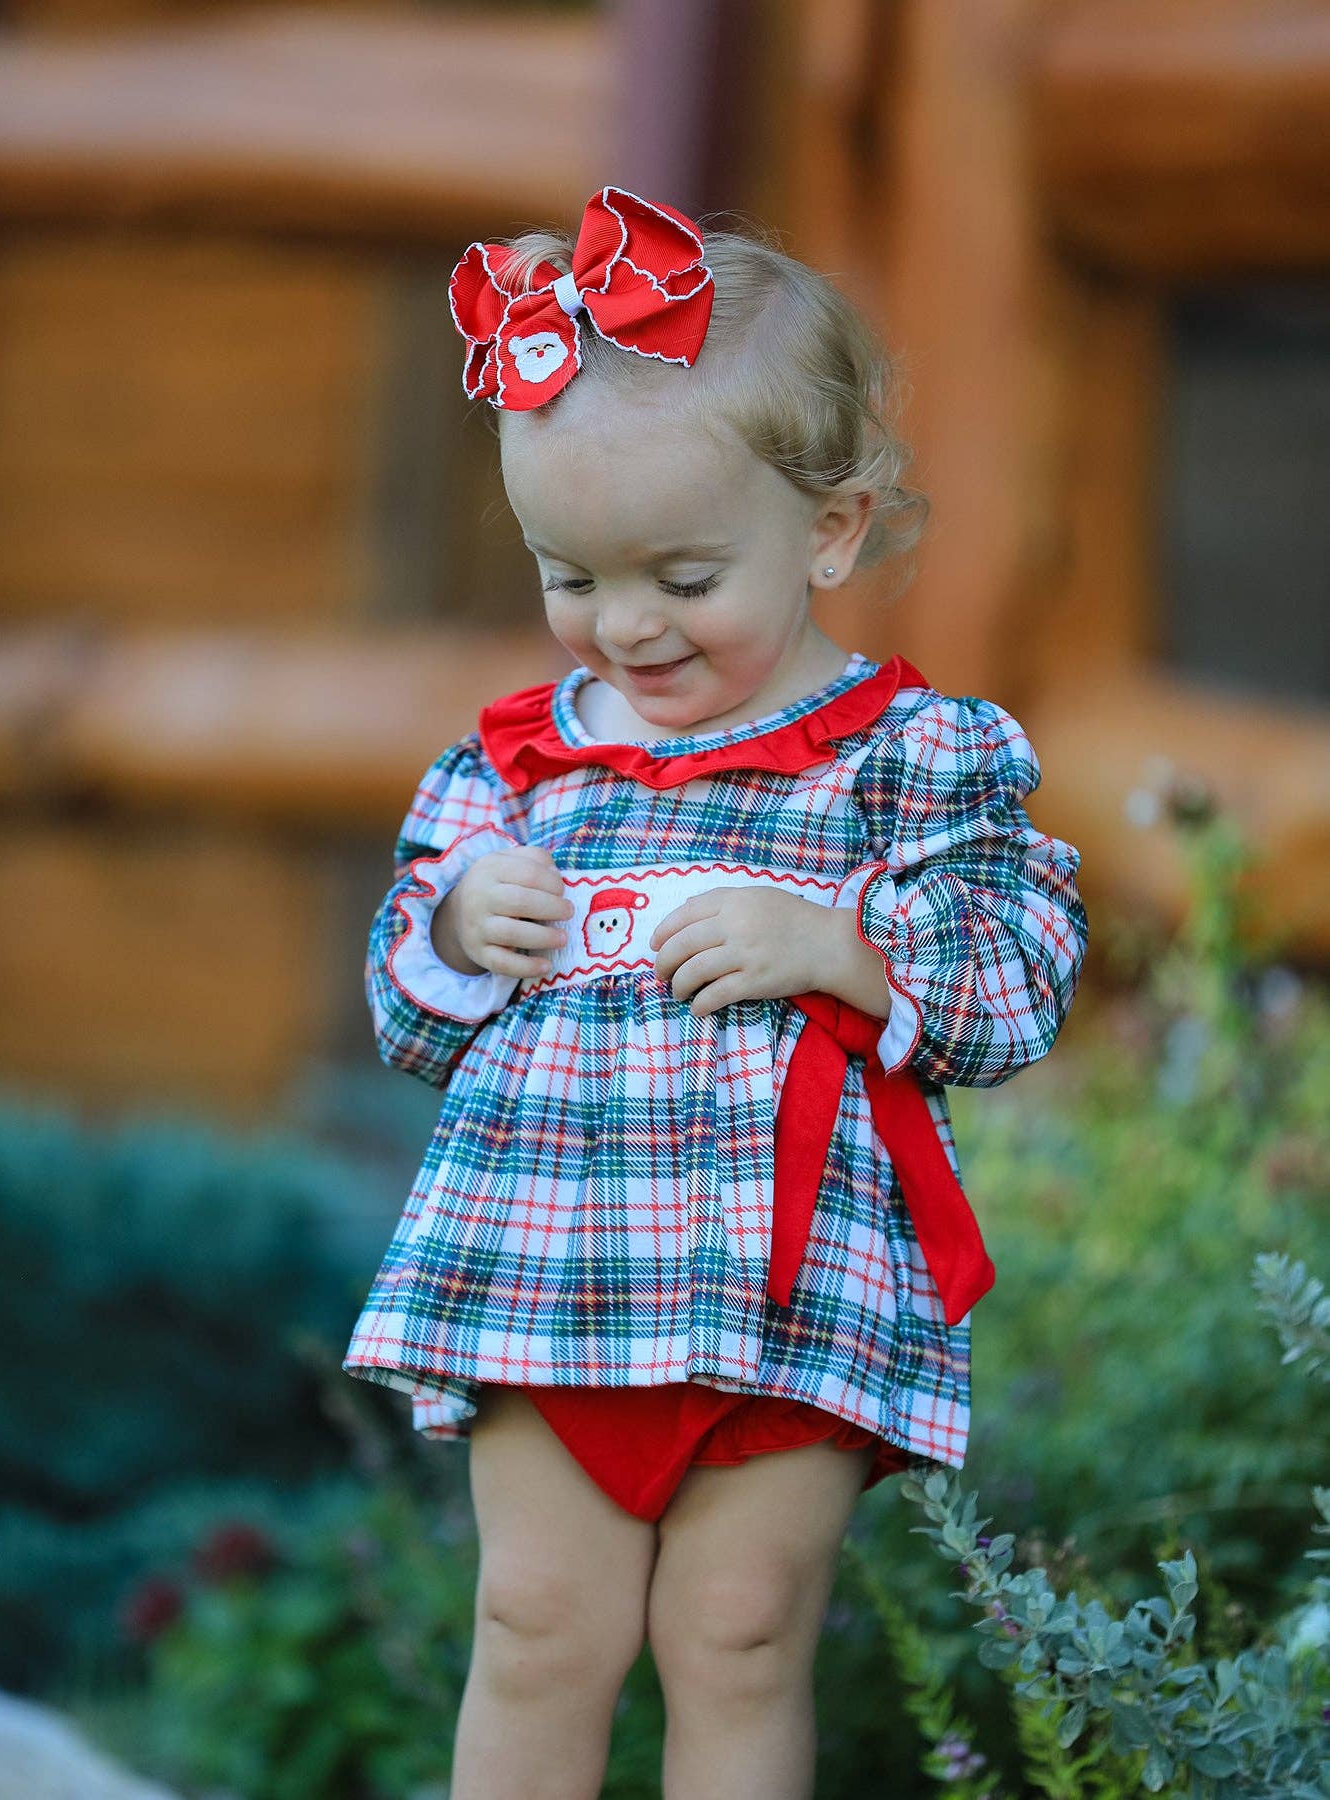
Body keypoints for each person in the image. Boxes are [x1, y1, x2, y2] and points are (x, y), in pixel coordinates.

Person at [343, 184, 1089, 1799]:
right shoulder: (515, 769)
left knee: (737, 1631)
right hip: (549, 1255)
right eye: (569, 575)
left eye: (682, 577)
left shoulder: (902, 758)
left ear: (827, 531)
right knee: (537, 1622)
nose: (624, 627)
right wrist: (456, 925)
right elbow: (403, 1009)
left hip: (792, 1272)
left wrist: (838, 948)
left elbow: (1022, 973)